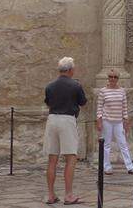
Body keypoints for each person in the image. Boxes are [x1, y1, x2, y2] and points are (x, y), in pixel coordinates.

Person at [44, 56, 87, 205]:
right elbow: (83, 102)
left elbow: (48, 103)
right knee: (71, 158)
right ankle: (68, 195)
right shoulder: (75, 85)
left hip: (52, 120)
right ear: (70, 70)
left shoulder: (49, 86)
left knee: (52, 159)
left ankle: (51, 194)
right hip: (67, 120)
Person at [96, 69, 133, 175]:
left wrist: (126, 120)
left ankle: (130, 167)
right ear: (108, 78)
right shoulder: (103, 91)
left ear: (118, 79)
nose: (113, 79)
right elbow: (99, 107)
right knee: (106, 145)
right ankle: (107, 167)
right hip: (107, 120)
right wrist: (99, 121)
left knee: (123, 144)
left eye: (115, 77)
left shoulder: (122, 91)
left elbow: (124, 107)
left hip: (118, 121)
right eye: (111, 76)